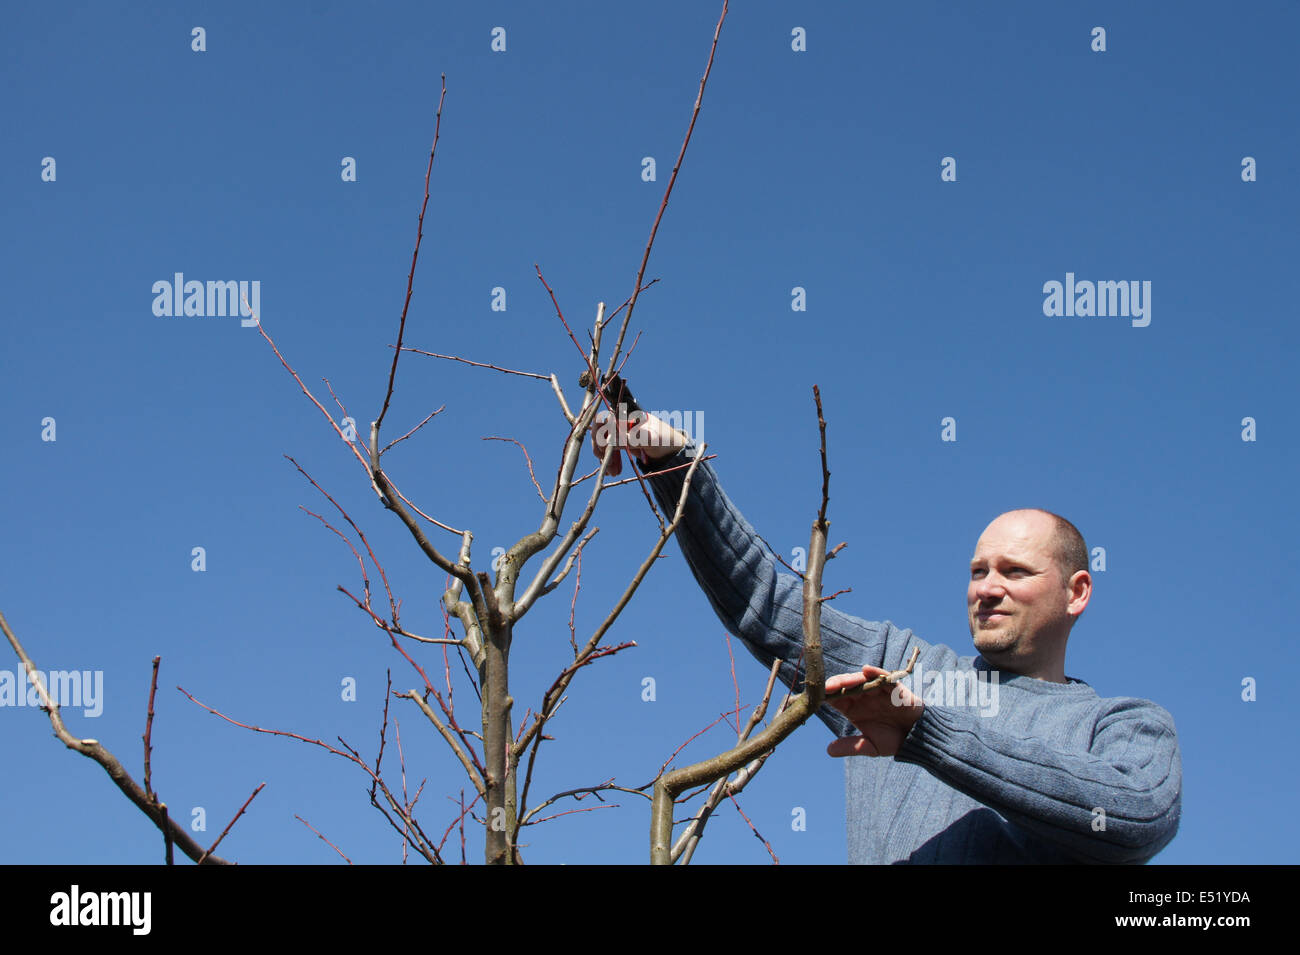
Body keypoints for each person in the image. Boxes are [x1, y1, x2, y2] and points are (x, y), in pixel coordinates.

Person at [595, 403, 1182, 864]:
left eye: (1015, 572)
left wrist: (926, 734)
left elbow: (1137, 815)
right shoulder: (901, 668)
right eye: (978, 571)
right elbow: (764, 603)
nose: (987, 588)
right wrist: (674, 465)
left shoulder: (1124, 725)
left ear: (1076, 592)